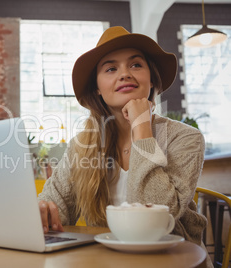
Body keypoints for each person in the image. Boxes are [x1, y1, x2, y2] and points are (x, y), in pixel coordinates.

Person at [37, 26, 212, 267]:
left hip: (175, 261)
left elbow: (157, 219)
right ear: (97, 88)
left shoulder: (185, 138)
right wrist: (42, 210)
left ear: (151, 79)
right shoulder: (82, 146)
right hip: (108, 261)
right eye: (110, 68)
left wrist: (141, 128)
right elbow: (54, 209)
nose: (125, 74)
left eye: (136, 65)